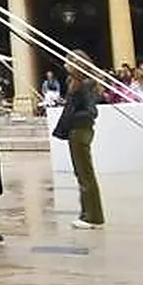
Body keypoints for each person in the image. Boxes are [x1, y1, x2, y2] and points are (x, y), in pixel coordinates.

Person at [53, 53, 104, 230]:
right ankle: (87, 214)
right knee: (82, 174)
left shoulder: (85, 84)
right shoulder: (74, 83)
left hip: (80, 131)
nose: (66, 63)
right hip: (77, 131)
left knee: (85, 174)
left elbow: (91, 111)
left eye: (69, 60)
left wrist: (73, 117)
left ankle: (93, 217)